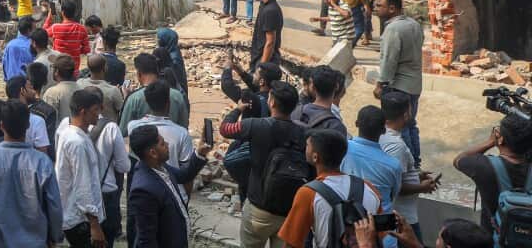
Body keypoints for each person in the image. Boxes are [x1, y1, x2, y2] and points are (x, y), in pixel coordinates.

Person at [219, 81, 307, 248]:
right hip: (288, 211)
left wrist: (238, 109)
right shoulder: (304, 133)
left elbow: (225, 129)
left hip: (258, 208)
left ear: (271, 102)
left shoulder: (256, 125)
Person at [0, 100, 63, 248]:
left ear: (1, 126)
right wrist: (55, 237)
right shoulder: (42, 162)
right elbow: (54, 205)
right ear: (27, 125)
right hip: (36, 242)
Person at [278, 129, 381, 248]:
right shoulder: (369, 187)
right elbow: (380, 233)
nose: (305, 148)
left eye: (307, 145)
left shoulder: (308, 193)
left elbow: (292, 242)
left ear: (315, 157)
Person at [126, 124, 212, 248]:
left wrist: (200, 153)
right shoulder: (144, 190)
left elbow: (184, 175)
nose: (167, 144)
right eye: (162, 143)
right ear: (153, 153)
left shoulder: (159, 166)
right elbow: (147, 240)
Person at [454, 113, 532, 234]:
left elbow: (459, 160)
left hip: (494, 239)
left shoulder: (484, 166)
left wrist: (490, 142)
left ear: (500, 138)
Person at [380, 91, 439, 241]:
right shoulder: (396, 146)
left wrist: (415, 176)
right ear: (406, 114)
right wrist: (423, 187)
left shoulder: (380, 135)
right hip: (403, 218)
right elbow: (395, 186)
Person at [373, 0, 423, 166]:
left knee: (400, 128)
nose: (376, 8)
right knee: (410, 124)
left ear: (392, 8)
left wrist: (380, 84)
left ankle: (408, 165)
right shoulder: (414, 24)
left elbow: (389, 59)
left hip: (399, 86)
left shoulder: (393, 29)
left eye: (379, 5)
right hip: (414, 84)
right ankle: (415, 162)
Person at [56, 90, 107, 248]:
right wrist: (94, 225)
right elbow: (82, 184)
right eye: (95, 111)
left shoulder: (72, 133)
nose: (98, 115)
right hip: (80, 220)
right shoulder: (76, 142)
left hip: (77, 216)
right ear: (83, 113)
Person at [120, 53, 189, 134]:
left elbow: (123, 132)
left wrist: (125, 98)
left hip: (143, 146)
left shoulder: (134, 99)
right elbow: (184, 126)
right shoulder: (177, 95)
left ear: (139, 74)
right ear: (157, 72)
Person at [249, 0, 283, 71]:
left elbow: (270, 42)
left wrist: (261, 68)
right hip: (259, 54)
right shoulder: (264, 4)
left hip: (265, 58)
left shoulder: (270, 11)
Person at [1, 17, 34, 81]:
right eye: (35, 28)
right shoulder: (32, 45)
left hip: (11, 81)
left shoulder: (10, 44)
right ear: (28, 30)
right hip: (25, 84)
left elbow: (4, 63)